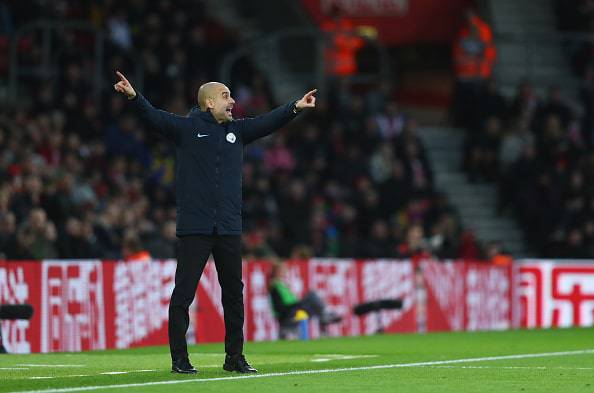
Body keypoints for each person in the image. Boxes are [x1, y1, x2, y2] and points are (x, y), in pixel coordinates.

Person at [113, 71, 316, 374]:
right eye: (225, 96)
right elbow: (154, 118)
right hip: (195, 226)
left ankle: (234, 357)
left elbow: (267, 122)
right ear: (209, 102)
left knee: (234, 294)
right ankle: (180, 359)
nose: (232, 101)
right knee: (184, 293)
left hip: (229, 227)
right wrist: (133, 97)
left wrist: (295, 107)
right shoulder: (186, 128)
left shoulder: (238, 131)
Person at [268, 262, 341, 338]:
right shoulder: (275, 287)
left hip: (293, 311)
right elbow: (279, 307)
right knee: (311, 296)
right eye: (281, 270)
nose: (284, 272)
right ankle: (325, 314)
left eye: (284, 270)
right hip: (288, 314)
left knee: (316, 309)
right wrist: (296, 305)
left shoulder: (284, 285)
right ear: (275, 272)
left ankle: (324, 321)